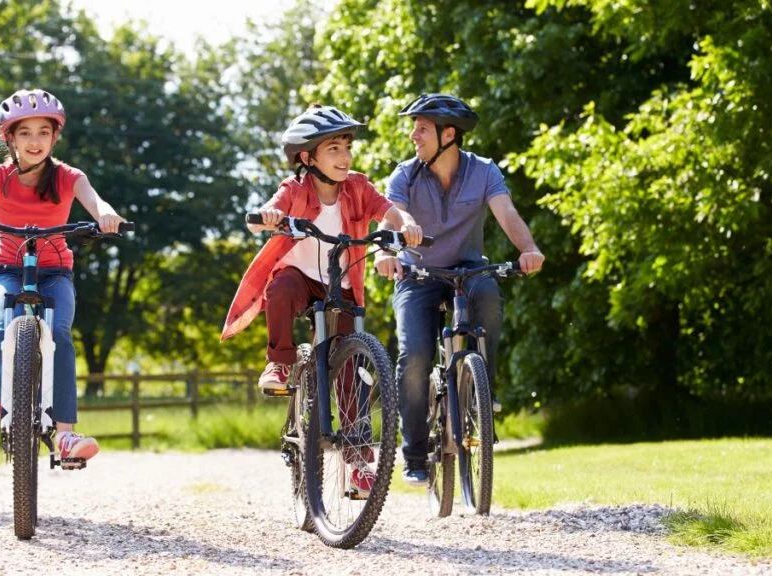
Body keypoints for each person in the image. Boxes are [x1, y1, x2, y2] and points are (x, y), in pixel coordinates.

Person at [221, 104, 422, 495]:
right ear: (307, 157)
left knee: (353, 369)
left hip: (340, 283)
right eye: (334, 148)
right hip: (300, 277)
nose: (345, 156)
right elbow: (275, 206)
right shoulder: (295, 188)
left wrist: (407, 224)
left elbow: (387, 209)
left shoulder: (358, 186)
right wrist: (270, 216)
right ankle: (279, 363)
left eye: (347, 147)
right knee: (278, 291)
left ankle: (358, 461)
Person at [0, 89, 125, 464]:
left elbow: (96, 201)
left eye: (43, 132)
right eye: (25, 133)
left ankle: (66, 436)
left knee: (59, 335)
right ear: (9, 138)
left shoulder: (69, 177)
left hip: (56, 272)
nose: (34, 141)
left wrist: (107, 215)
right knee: (6, 324)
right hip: (8, 267)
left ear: (55, 137)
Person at [373, 94, 545, 485]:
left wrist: (529, 250)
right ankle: (414, 452)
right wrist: (385, 251)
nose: (413, 135)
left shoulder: (483, 171)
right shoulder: (405, 174)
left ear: (448, 134)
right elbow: (394, 216)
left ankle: (481, 395)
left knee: (487, 293)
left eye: (421, 128)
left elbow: (507, 213)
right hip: (417, 274)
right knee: (415, 355)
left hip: (467, 270)